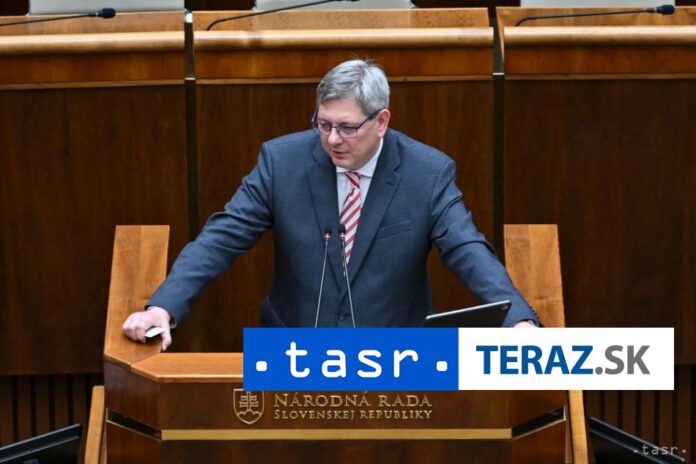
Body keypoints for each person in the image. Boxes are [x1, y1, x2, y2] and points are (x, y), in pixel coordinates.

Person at [123, 59, 539, 350]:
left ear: (381, 121)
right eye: (323, 125)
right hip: (293, 350)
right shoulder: (282, 162)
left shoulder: (427, 173)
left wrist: (517, 320)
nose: (333, 139)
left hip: (394, 357)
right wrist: (163, 306)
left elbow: (467, 248)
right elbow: (222, 237)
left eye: (347, 127)